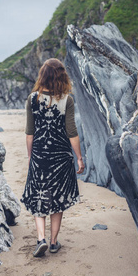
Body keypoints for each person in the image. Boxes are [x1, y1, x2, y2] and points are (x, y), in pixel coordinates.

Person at [21, 58, 85, 257]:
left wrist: (31, 156)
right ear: (61, 77)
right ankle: (54, 242)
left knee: (39, 195)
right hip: (61, 157)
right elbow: (71, 132)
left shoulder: (32, 99)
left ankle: (41, 239)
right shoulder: (67, 100)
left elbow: (29, 132)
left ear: (43, 76)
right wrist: (79, 158)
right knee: (57, 198)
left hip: (40, 155)